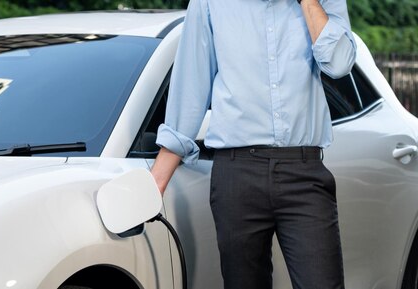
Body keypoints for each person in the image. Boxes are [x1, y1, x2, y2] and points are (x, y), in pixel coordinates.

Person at [150, 0, 356, 288]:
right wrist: (153, 185)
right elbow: (191, 87)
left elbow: (340, 63)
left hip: (304, 171)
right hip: (237, 174)